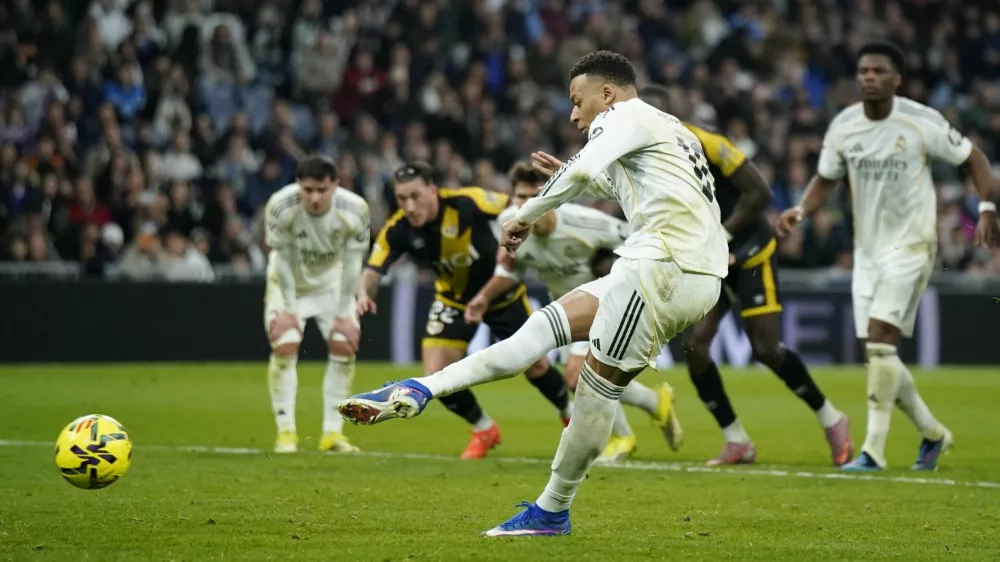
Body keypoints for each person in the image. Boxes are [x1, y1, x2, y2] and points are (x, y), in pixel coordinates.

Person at [339, 50, 729, 536]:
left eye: (577, 100)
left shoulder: (623, 114)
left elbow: (585, 175)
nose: (573, 113)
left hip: (664, 265)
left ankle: (551, 510)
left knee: (592, 388)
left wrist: (522, 215)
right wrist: (574, 168)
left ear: (605, 94)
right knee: (540, 329)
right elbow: (633, 183)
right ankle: (422, 388)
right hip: (675, 266)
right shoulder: (670, 126)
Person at [777, 41, 1000, 472]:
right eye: (863, 71)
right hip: (868, 252)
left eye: (879, 71)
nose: (869, 78)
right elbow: (826, 179)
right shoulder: (844, 126)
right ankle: (933, 433)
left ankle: (873, 451)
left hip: (912, 245)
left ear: (896, 79)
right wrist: (801, 210)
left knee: (881, 339)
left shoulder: (920, 121)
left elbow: (974, 157)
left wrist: (987, 208)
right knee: (879, 354)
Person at [638, 85, 853, 467]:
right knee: (695, 345)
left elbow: (760, 193)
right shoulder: (644, 159)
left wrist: (722, 234)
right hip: (711, 260)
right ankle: (736, 440)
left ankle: (832, 419)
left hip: (751, 248)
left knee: (766, 350)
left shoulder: (708, 142)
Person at [352, 161, 573, 460]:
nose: (409, 206)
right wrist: (365, 293)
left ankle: (568, 414)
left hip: (501, 294)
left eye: (416, 196)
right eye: (402, 199)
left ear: (434, 189)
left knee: (537, 367)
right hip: (453, 300)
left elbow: (518, 209)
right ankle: (484, 429)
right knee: (435, 374)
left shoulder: (468, 201)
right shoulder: (399, 228)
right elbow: (373, 271)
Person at [465, 161, 683, 463]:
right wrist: (483, 298)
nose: (524, 204)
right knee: (586, 377)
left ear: (551, 195)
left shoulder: (587, 223)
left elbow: (641, 239)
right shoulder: (509, 224)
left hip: (606, 301)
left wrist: (615, 266)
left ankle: (621, 438)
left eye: (533, 196)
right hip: (566, 309)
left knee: (578, 374)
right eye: (519, 196)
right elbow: (511, 270)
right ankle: (654, 401)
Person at [263, 154, 370, 454]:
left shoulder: (355, 209)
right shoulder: (281, 205)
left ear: (335, 185)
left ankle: (332, 434)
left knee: (343, 344)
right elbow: (281, 259)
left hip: (331, 284)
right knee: (285, 343)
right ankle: (286, 433)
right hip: (288, 283)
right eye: (308, 190)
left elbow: (352, 263)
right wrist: (288, 308)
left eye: (321, 190)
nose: (314, 198)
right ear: (298, 185)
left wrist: (343, 313)